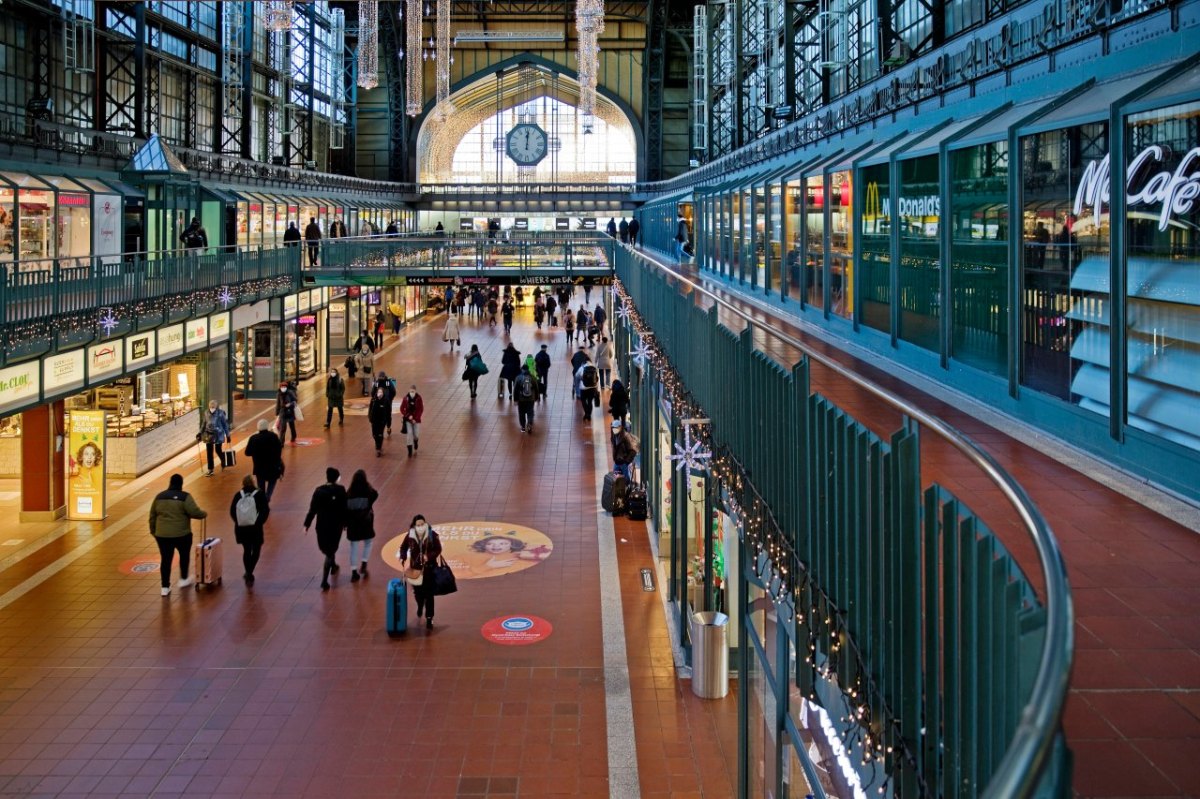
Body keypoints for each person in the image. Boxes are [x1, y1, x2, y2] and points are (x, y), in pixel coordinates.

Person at [149, 473, 208, 596]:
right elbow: (195, 512)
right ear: (181, 483)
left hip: (162, 535)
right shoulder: (185, 497)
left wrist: (154, 532)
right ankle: (183, 579)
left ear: (170, 483)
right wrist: (204, 513)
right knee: (184, 555)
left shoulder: (159, 497)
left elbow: (152, 516)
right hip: (182, 534)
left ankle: (165, 587)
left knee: (166, 560)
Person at [304, 467, 348, 591]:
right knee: (331, 550)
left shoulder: (318, 491)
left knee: (327, 549)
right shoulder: (341, 490)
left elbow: (312, 509)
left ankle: (331, 568)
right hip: (336, 526)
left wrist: (307, 524)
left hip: (321, 525)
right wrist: (346, 523)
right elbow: (345, 508)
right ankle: (325, 579)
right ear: (336, 478)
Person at [398, 514, 443, 629]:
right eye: (418, 525)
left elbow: (438, 549)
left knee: (429, 595)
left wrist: (428, 556)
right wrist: (403, 556)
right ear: (414, 526)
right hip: (415, 570)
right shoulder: (410, 536)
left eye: (422, 524)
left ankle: (429, 618)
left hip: (429, 570)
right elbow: (403, 547)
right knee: (418, 593)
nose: (421, 526)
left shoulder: (432, 535)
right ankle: (420, 604)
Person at [229, 475, 270, 586]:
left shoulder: (238, 495)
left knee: (246, 550)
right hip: (255, 528)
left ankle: (248, 572)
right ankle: (249, 572)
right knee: (256, 550)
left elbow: (232, 511)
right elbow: (265, 510)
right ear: (253, 483)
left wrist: (239, 521)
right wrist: (259, 522)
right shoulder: (259, 494)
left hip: (241, 529)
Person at [346, 470, 378, 582]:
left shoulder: (349, 493)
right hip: (366, 523)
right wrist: (368, 485)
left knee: (353, 547)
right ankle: (364, 563)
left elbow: (345, 510)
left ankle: (354, 572)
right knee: (368, 543)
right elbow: (375, 494)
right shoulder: (368, 491)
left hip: (353, 525)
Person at [246, 418, 284, 499]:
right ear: (267, 426)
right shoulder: (273, 436)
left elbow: (247, 452)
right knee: (272, 482)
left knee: (260, 485)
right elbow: (279, 450)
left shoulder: (253, 438)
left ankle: (262, 499)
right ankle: (268, 497)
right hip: (273, 466)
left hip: (259, 467)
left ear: (258, 427)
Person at [197, 399, 231, 476]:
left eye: (213, 407)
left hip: (218, 435)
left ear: (216, 406)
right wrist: (200, 433)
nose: (212, 408)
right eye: (211, 407)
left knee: (218, 450)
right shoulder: (206, 413)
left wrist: (228, 435)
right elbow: (204, 423)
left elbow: (225, 425)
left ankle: (223, 460)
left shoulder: (221, 413)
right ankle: (210, 469)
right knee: (209, 452)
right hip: (208, 435)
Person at [366, 385, 392, 457]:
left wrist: (388, 424)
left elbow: (388, 413)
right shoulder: (373, 400)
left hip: (382, 421)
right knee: (374, 435)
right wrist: (370, 417)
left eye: (381, 392)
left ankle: (378, 448)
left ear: (383, 393)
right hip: (374, 421)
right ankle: (377, 444)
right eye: (378, 392)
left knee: (380, 435)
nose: (379, 393)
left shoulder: (386, 401)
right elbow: (370, 409)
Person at [399, 385, 424, 457]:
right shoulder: (405, 398)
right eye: (410, 391)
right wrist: (407, 416)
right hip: (408, 419)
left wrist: (415, 419)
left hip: (416, 420)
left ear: (415, 391)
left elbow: (420, 409)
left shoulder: (419, 398)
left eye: (413, 391)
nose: (411, 393)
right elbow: (401, 409)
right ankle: (409, 451)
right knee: (409, 434)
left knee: (416, 434)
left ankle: (415, 441)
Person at [374, 370, 398, 436]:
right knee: (379, 415)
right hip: (379, 402)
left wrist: (390, 399)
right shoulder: (377, 382)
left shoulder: (388, 382)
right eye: (380, 377)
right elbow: (373, 391)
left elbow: (393, 391)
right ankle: (380, 429)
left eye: (382, 377)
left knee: (388, 415)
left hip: (387, 402)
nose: (381, 379)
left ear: (384, 377)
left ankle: (388, 427)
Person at [514, 365, 538, 433]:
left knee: (521, 413)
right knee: (530, 412)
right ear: (528, 369)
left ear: (522, 370)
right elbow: (536, 388)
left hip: (521, 399)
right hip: (530, 399)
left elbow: (516, 389)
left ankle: (523, 427)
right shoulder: (532, 377)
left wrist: (515, 399)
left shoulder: (518, 378)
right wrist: (536, 397)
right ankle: (529, 423)